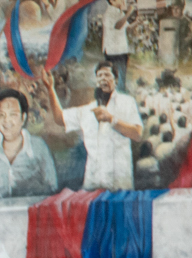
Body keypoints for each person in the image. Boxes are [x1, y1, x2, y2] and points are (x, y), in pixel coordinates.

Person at [42, 62, 142, 190]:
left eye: (107, 75)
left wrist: (111, 120)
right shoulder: (88, 110)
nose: (103, 78)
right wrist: (50, 88)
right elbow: (60, 118)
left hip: (119, 184)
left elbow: (137, 133)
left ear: (116, 80)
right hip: (93, 184)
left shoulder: (127, 103)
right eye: (99, 75)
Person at [100, 0, 134, 89]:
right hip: (113, 51)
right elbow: (118, 26)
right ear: (112, 0)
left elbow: (127, 28)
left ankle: (120, 92)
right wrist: (128, 13)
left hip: (121, 50)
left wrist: (138, 21)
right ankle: (119, 93)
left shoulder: (120, 13)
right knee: (116, 78)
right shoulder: (109, 13)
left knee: (121, 77)